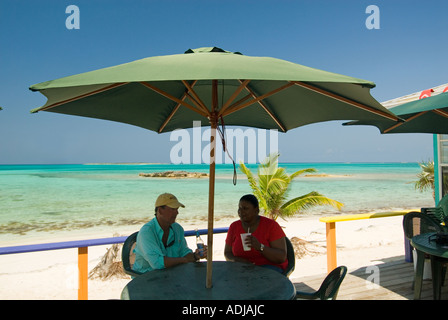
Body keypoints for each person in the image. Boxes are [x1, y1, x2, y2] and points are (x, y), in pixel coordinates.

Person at [132, 193, 207, 274]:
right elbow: (157, 263)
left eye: (177, 209)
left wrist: (195, 256)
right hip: (145, 277)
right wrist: (183, 260)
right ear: (160, 210)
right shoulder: (147, 232)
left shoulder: (177, 229)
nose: (177, 213)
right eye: (173, 209)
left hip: (170, 274)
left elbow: (184, 253)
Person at [224, 194, 288, 273]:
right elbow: (227, 252)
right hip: (243, 268)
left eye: (245, 208)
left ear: (256, 211)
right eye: (239, 208)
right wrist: (236, 260)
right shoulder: (234, 226)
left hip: (269, 268)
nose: (241, 212)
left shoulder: (271, 226)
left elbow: (281, 257)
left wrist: (260, 247)